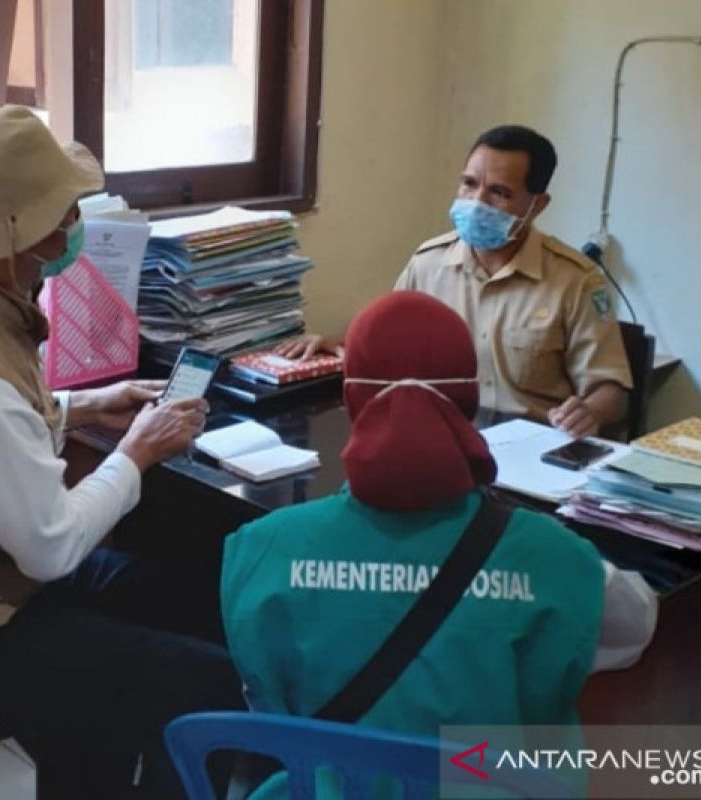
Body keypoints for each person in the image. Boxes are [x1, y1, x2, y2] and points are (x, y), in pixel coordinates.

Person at [0, 105, 242, 798]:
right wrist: (136, 452)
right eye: (64, 214)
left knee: (193, 593)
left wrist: (89, 405)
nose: (75, 227)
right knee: (204, 677)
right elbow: (51, 547)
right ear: (18, 235)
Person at [222, 291, 656, 795]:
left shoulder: (262, 550)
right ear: (468, 401)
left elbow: (263, 703)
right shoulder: (556, 559)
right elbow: (633, 628)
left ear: (350, 400)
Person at [277, 125, 632, 438]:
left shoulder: (575, 281)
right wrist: (332, 344)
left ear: (536, 205)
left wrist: (590, 412)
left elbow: (610, 389)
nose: (477, 201)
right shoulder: (429, 263)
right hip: (440, 445)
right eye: (469, 184)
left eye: (499, 192)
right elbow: (388, 343)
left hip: (530, 455)